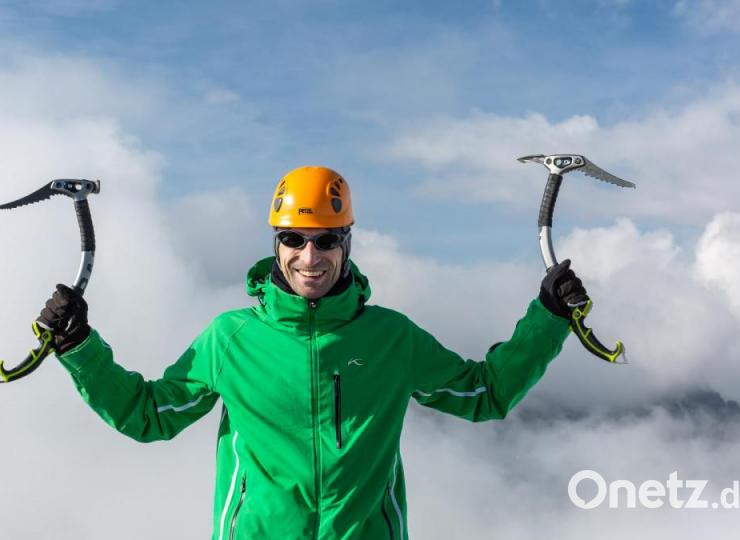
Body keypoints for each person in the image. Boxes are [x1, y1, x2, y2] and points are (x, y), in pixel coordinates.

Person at [39, 165, 586, 540]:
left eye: (327, 239)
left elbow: (484, 394)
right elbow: (149, 415)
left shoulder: (391, 337)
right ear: (275, 243)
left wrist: (548, 318)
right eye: (295, 238)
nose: (310, 256)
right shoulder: (230, 339)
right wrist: (79, 347)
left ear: (346, 244)